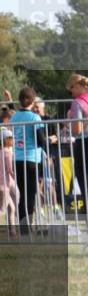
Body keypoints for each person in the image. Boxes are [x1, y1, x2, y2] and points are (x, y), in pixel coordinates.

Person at [10, 87, 49, 232]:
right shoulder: (35, 118)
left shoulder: (14, 117)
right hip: (31, 159)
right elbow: (40, 141)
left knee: (21, 194)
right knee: (31, 194)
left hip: (17, 159)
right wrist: (50, 139)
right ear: (33, 101)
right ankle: (27, 227)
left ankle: (23, 226)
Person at [67, 73, 88, 216]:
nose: (71, 92)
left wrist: (68, 120)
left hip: (84, 144)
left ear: (80, 86)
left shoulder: (77, 103)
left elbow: (77, 130)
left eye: (72, 88)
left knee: (84, 180)